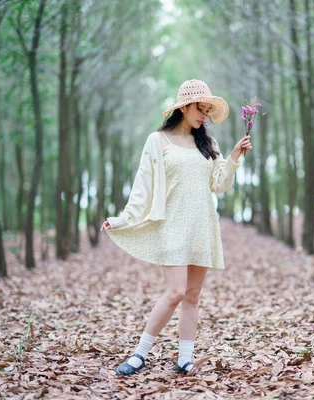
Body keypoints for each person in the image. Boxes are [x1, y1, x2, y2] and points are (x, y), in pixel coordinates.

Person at [100, 79, 252, 376]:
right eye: (200, 108)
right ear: (183, 107)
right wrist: (122, 219)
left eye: (208, 111)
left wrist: (234, 158)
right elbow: (142, 187)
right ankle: (139, 354)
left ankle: (185, 358)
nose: (204, 115)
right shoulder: (157, 141)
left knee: (193, 296)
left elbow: (218, 184)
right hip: (172, 226)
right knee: (175, 292)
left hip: (202, 225)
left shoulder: (208, 144)